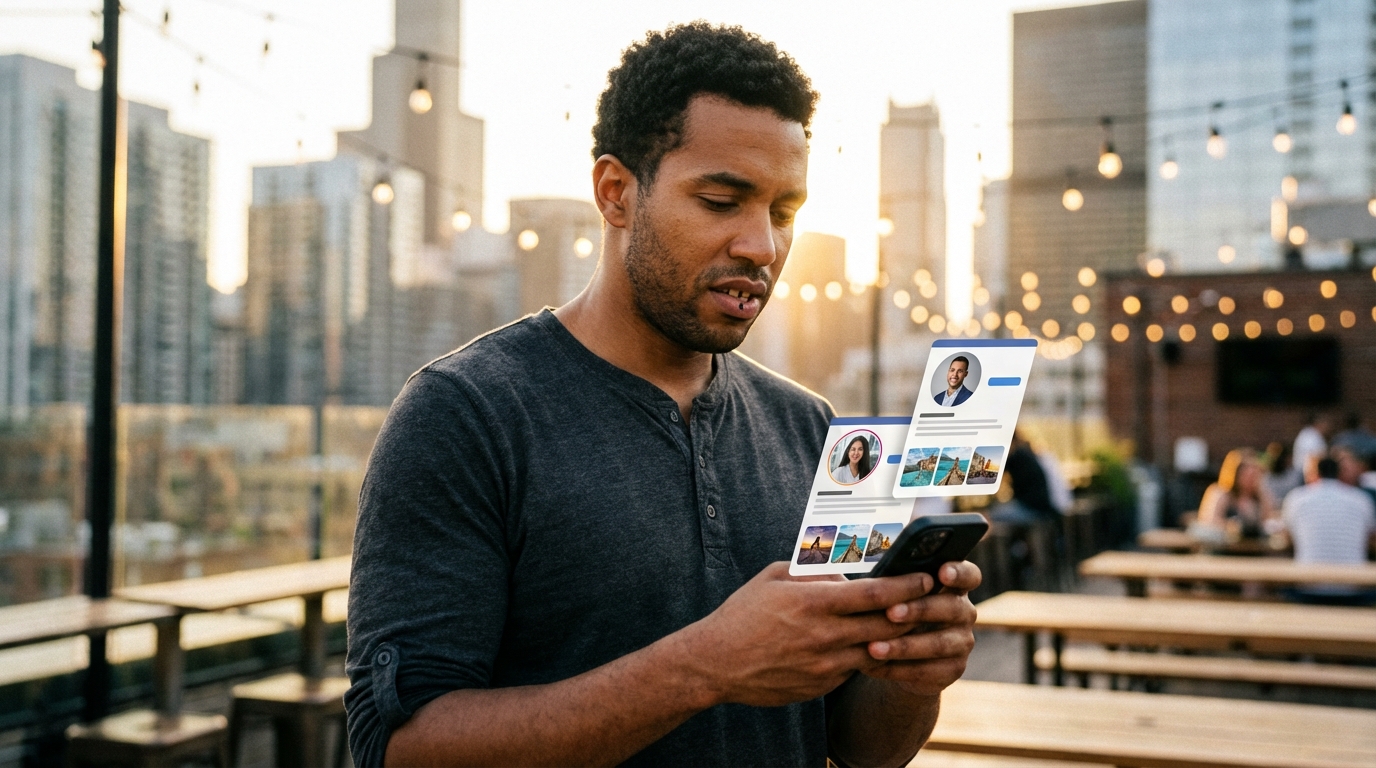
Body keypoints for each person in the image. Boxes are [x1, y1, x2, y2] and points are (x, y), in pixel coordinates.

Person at [345, 24, 980, 768]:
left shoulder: (816, 430)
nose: (762, 246)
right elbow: (396, 749)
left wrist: (911, 672)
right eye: (721, 200)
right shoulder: (465, 416)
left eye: (782, 212)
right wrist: (704, 667)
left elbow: (862, 748)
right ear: (616, 192)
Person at [1280, 456, 1376, 605]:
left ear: (1314, 473)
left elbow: (1287, 539)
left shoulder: (1296, 498)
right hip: (1353, 590)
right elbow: (1371, 540)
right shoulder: (1361, 499)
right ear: (1340, 473)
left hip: (1307, 589)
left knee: (1280, 590)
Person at [1197, 449, 1277, 539]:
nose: (1251, 479)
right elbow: (1209, 522)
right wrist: (1231, 526)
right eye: (1247, 475)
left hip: (1254, 548)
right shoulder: (1220, 493)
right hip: (1222, 547)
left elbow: (1268, 522)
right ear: (1235, 474)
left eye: (1255, 474)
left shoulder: (1261, 496)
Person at [1292, 413, 1334, 480]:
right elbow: (1316, 457)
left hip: (1305, 472)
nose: (1328, 427)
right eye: (1326, 423)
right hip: (1305, 474)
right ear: (1319, 423)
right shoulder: (1311, 437)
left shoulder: (1311, 434)